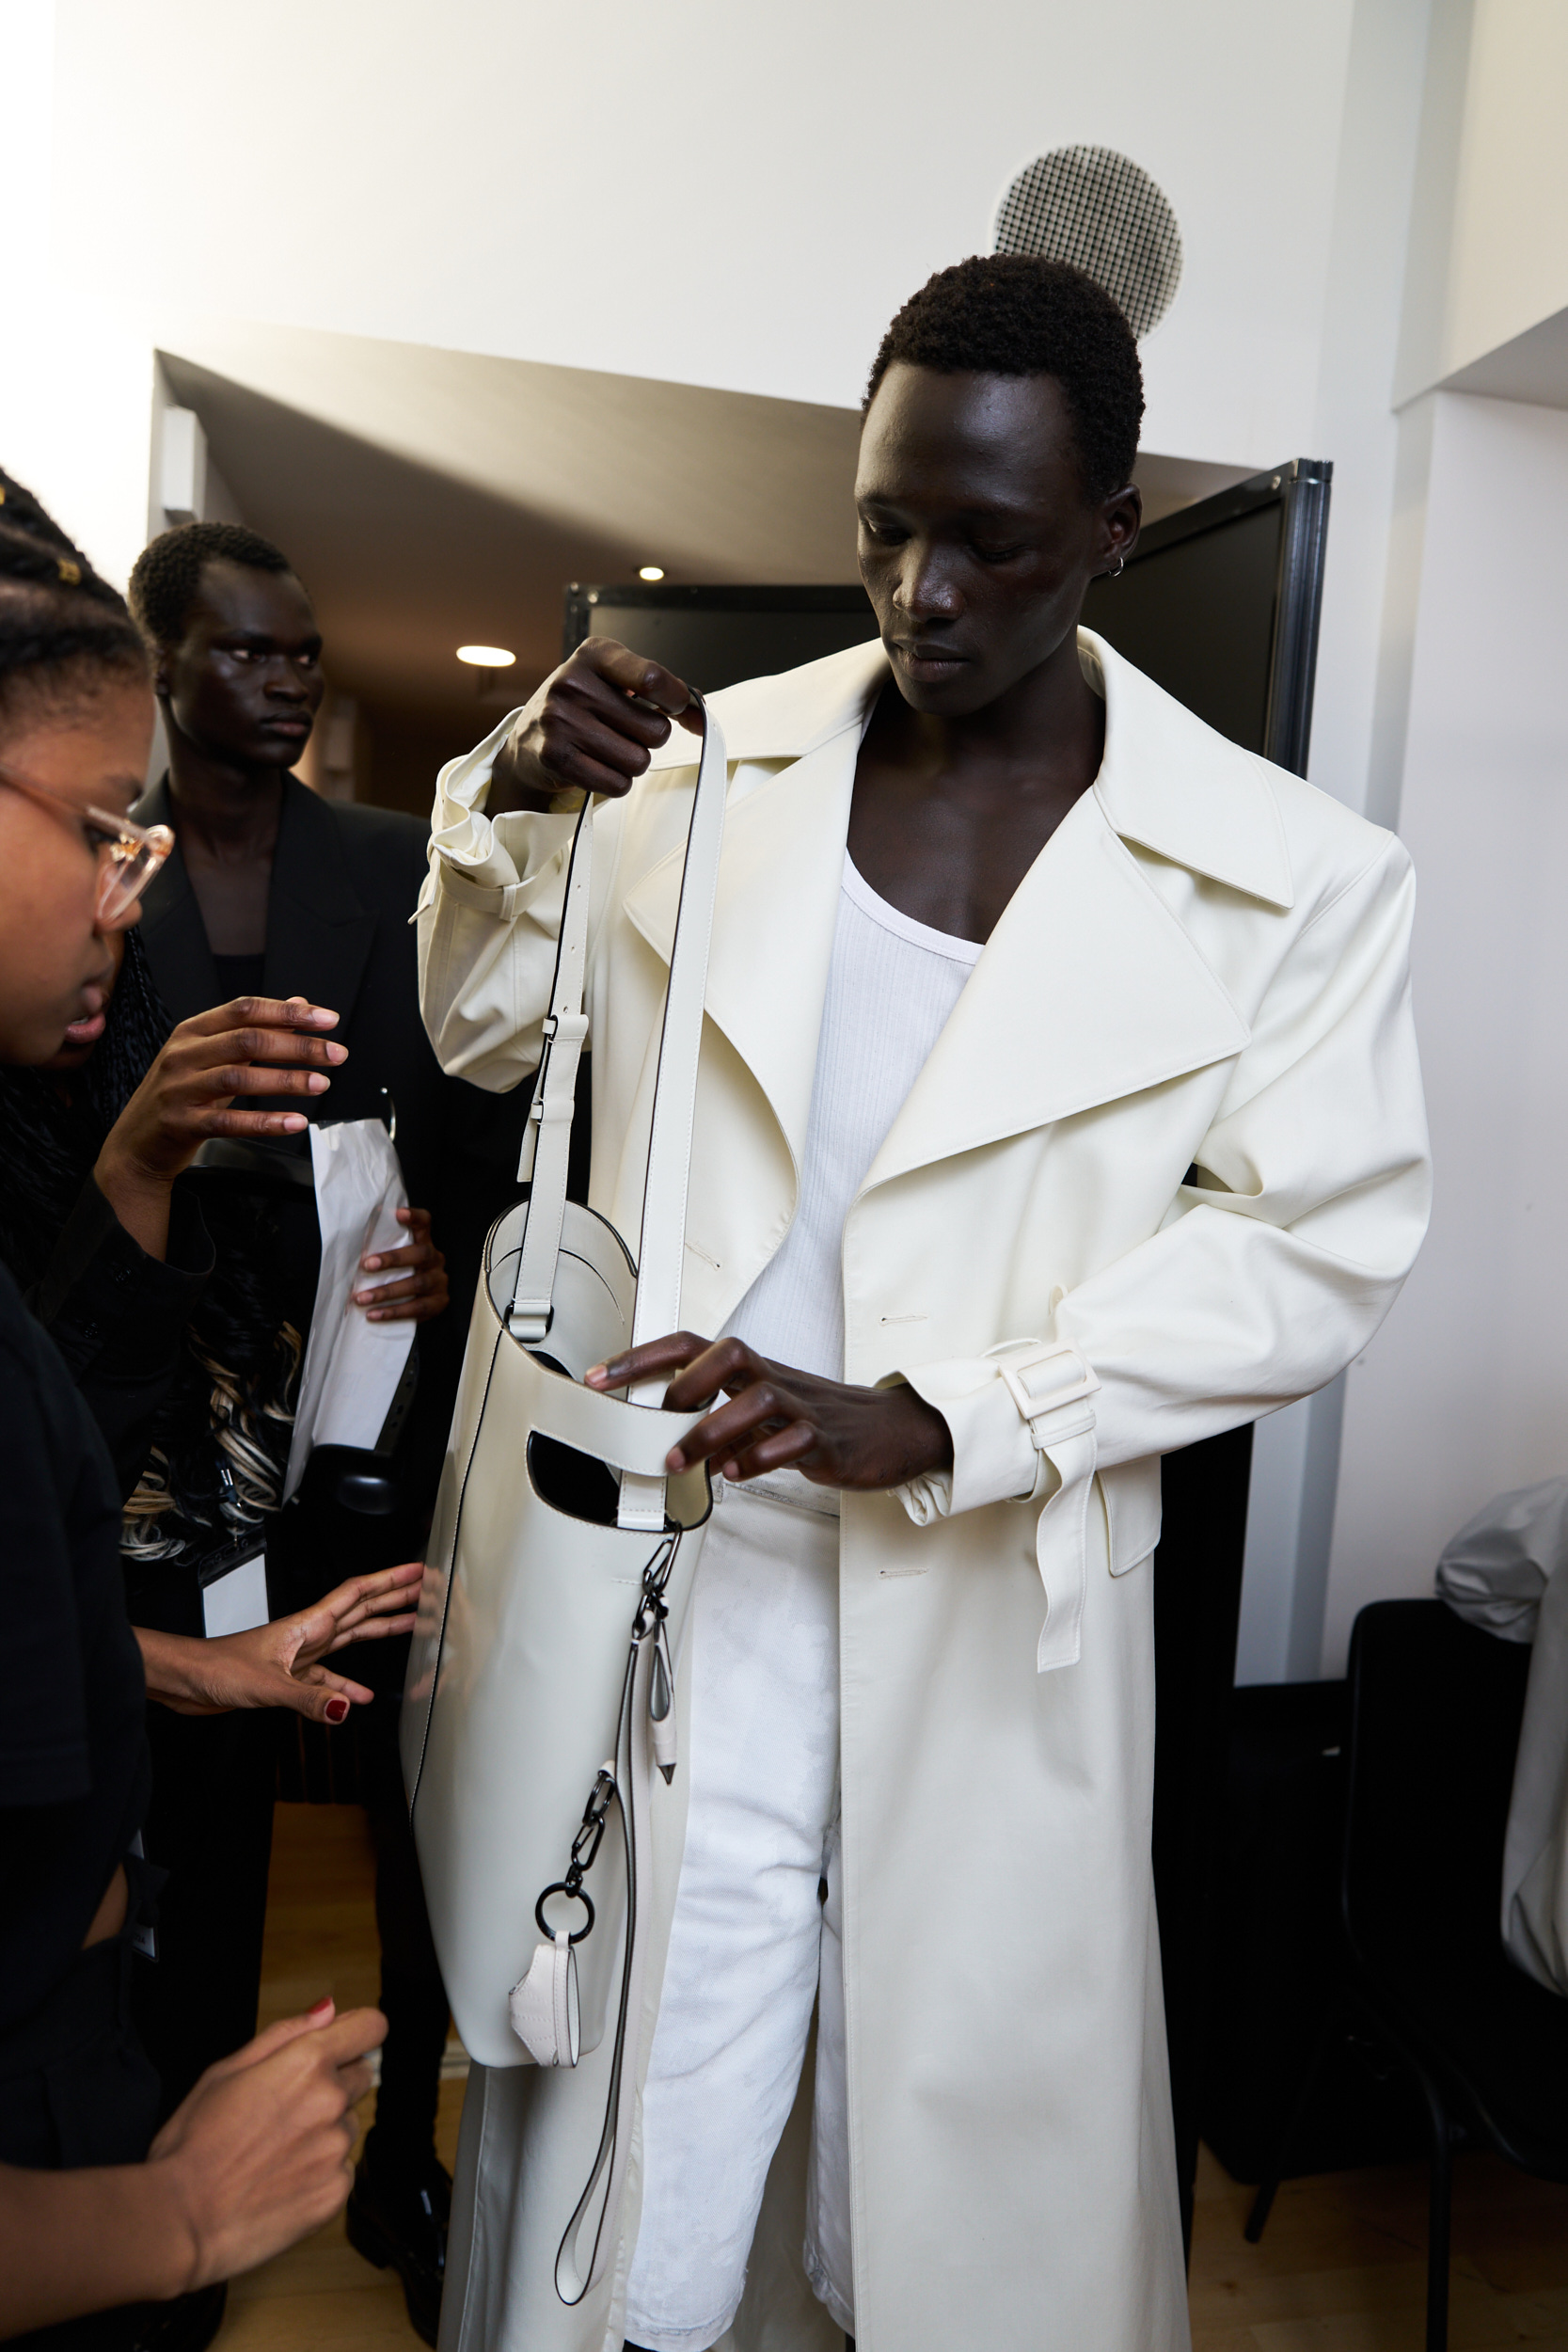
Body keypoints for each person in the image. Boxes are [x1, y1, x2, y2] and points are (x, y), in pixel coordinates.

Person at [416, 256, 1432, 2352]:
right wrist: (511, 795)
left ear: (1117, 535)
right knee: (644, 2212)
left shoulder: (1294, 876)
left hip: (1001, 1607)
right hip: (689, 1590)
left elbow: (1311, 1245)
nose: (920, 589)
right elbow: (493, 1031)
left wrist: (959, 1405)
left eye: (990, 540)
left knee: (947, 2224)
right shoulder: (705, 772)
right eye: (886, 525)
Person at [124, 522, 531, 2344]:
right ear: (164, 658)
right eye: (251, 652)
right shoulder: (93, 869)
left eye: (306, 655)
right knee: (202, 1792)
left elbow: (477, 1121)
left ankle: (405, 2159)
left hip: (377, 1408)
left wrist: (458, 1239)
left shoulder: (385, 865)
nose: (288, 680)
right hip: (167, 1441)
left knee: (410, 1780)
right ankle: (183, 2185)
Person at [0, 475, 394, 2346]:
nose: (120, 885)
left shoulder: (369, 868)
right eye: (92, 826)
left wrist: (191, 1665)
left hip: (237, 1477)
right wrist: (165, 2216)